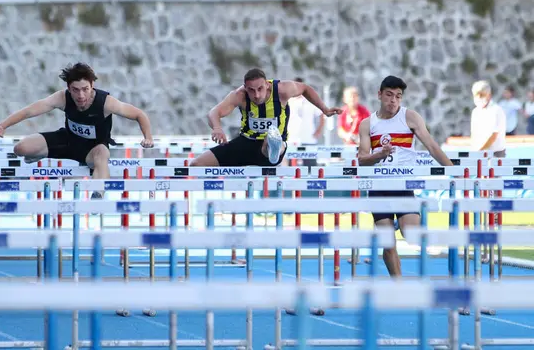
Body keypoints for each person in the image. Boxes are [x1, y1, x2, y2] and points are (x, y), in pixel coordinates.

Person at [0, 63, 154, 198]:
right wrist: (3, 125)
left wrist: (148, 137)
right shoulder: (62, 97)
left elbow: (139, 114)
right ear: (69, 88)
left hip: (93, 149)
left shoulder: (106, 102)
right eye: (75, 90)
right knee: (20, 148)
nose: (81, 95)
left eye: (85, 89)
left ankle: (98, 195)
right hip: (67, 141)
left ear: (92, 86)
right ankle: (39, 153)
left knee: (102, 153)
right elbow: (29, 111)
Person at [357, 75, 453, 277]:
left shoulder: (410, 117)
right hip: (379, 189)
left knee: (411, 235)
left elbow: (432, 146)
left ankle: (406, 228)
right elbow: (362, 159)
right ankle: (398, 286)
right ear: (380, 95)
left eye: (398, 96)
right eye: (389, 95)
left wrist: (453, 171)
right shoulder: (367, 124)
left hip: (402, 186)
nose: (393, 100)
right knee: (388, 243)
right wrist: (380, 154)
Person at [190, 68, 342, 167]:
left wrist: (325, 109)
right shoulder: (239, 95)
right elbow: (214, 112)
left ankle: (273, 148)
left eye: (260, 89)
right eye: (251, 90)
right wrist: (217, 128)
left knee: (271, 139)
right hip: (245, 143)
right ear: (245, 88)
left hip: (271, 145)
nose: (256, 95)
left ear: (267, 85)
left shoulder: (282, 90)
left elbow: (305, 89)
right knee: (196, 165)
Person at [286, 77, 326, 167]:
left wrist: (319, 130)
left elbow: (321, 115)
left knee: (310, 166)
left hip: (308, 138)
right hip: (292, 138)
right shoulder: (288, 101)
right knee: (291, 167)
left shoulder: (310, 100)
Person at [470, 80, 506, 157]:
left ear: (489, 95)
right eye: (476, 95)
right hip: (479, 152)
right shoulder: (475, 112)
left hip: (495, 154)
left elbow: (494, 134)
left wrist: (480, 150)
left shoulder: (496, 110)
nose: (479, 98)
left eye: (482, 95)